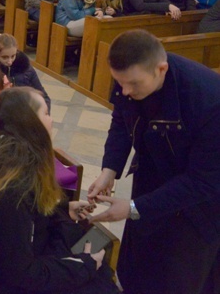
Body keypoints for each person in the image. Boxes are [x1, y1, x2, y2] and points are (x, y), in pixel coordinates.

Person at [87, 30, 220, 294]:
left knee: (177, 275)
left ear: (161, 69)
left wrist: (133, 207)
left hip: (196, 205)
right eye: (120, 83)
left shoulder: (209, 101)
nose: (124, 90)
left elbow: (202, 181)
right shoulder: (129, 74)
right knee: (139, 263)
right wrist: (109, 169)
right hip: (151, 174)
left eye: (133, 85)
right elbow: (121, 119)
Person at [0, 87, 119, 294]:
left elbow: (24, 218)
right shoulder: (12, 188)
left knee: (88, 252)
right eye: (46, 113)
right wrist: (83, 266)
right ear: (29, 123)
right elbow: (21, 273)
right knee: (99, 279)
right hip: (2, 282)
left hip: (15, 263)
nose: (51, 121)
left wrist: (61, 206)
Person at [0, 32, 51, 109]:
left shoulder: (26, 68)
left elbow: (44, 97)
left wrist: (42, 115)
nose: (9, 61)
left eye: (13, 56)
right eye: (4, 57)